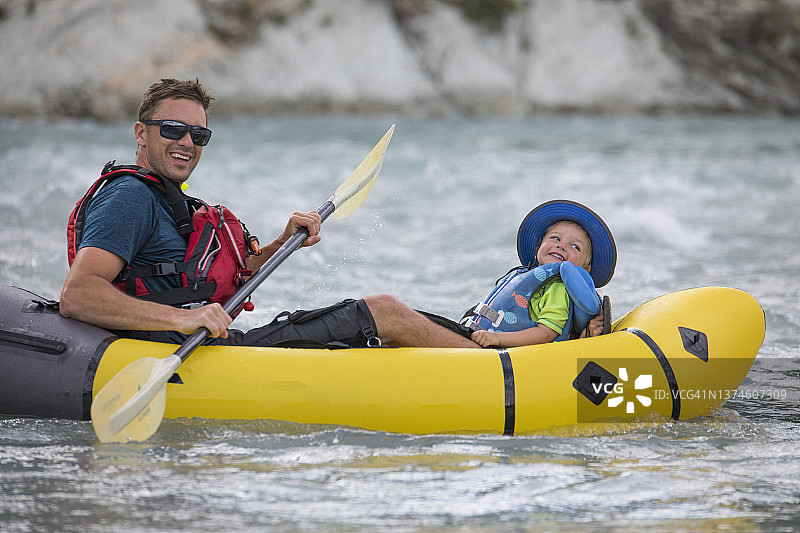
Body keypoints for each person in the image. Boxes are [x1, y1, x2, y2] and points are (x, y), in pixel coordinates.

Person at [60, 78, 605, 349]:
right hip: (188, 349)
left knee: (400, 315)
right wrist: (183, 320)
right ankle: (508, 366)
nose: (186, 142)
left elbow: (227, 275)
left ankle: (500, 339)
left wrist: (281, 242)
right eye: (173, 130)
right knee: (384, 311)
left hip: (208, 341)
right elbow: (78, 295)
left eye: (198, 134)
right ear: (141, 133)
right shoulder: (130, 197)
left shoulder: (172, 200)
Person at [463, 200, 616, 348]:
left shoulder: (558, 289)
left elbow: (546, 334)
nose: (561, 246)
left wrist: (496, 338)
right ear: (538, 248)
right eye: (555, 238)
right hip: (482, 337)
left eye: (575, 246)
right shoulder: (522, 275)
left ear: (585, 269)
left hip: (497, 347)